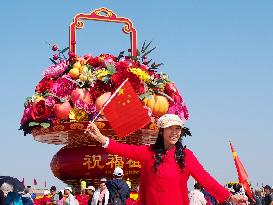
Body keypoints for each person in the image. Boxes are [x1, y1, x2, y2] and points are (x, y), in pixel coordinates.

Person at [86, 113, 248, 205]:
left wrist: (229, 196)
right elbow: (125, 149)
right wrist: (101, 137)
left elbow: (206, 179)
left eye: (177, 129)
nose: (174, 132)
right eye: (170, 128)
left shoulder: (186, 156)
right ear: (162, 132)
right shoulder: (148, 152)